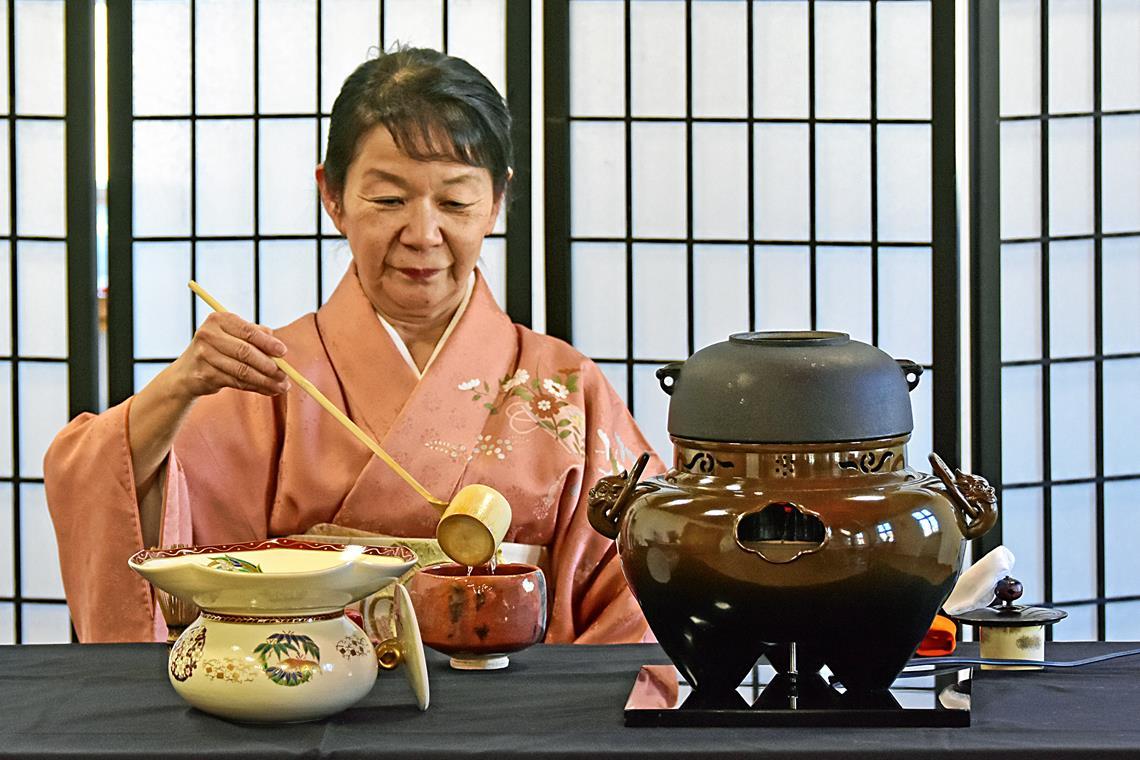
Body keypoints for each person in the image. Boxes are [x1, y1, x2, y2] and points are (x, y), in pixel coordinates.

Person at [44, 47, 663, 643]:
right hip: (302, 702)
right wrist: (180, 385)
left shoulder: (565, 386)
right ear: (333, 196)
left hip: (513, 716)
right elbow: (109, 481)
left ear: (496, 200)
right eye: (389, 198)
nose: (423, 234)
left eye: (454, 200)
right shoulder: (271, 378)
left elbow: (643, 579)